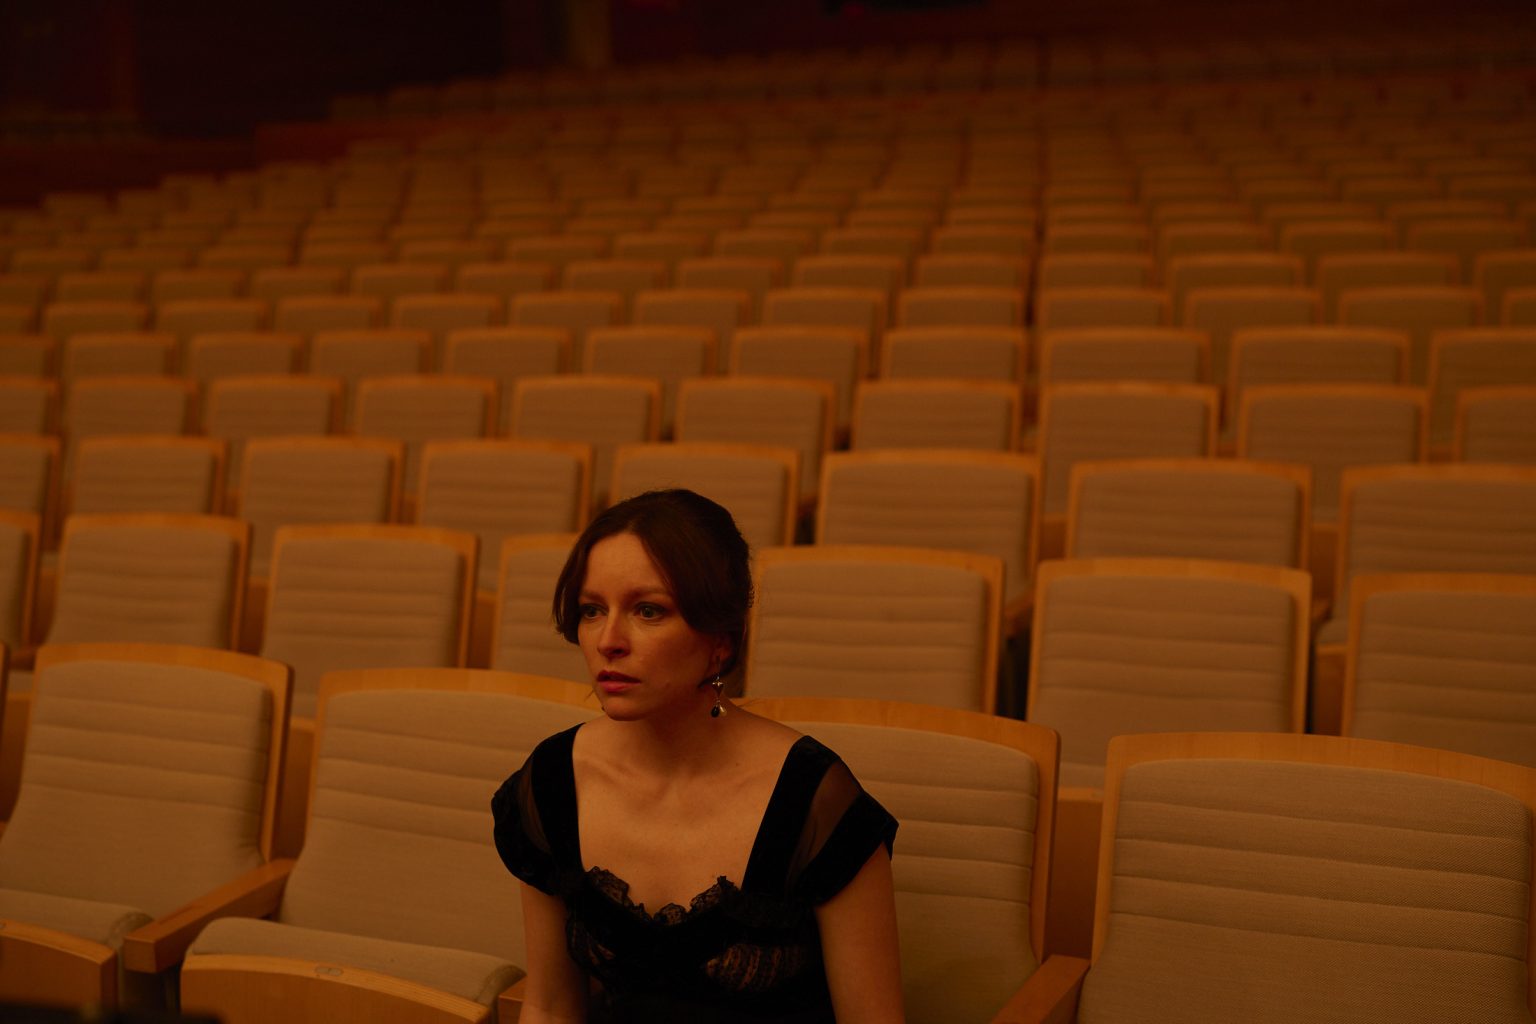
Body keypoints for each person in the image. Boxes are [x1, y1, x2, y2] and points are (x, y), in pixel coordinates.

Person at [492, 488, 904, 1023]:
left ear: (721, 641)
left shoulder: (813, 798)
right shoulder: (551, 779)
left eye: (648, 610)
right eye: (592, 610)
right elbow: (550, 1005)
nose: (608, 640)